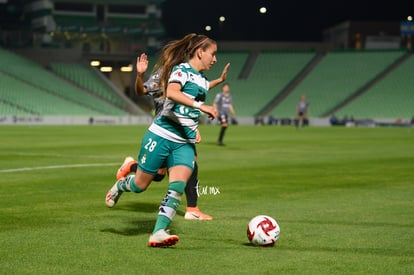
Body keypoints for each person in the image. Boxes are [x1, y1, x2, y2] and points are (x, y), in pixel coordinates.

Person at [105, 33, 221, 247]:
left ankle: (159, 231)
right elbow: (172, 93)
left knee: (177, 186)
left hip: (183, 142)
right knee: (140, 185)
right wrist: (201, 106)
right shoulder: (180, 70)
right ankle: (122, 184)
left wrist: (193, 127)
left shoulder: (203, 81)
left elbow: (189, 109)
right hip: (161, 135)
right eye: (212, 54)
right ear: (199, 52)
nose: (215, 59)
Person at [113, 51, 229, 220]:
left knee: (188, 164)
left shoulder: (186, 72)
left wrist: (218, 81)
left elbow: (199, 88)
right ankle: (131, 167)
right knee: (159, 175)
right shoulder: (161, 76)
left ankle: (192, 208)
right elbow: (141, 91)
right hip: (164, 127)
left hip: (181, 127)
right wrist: (139, 75)